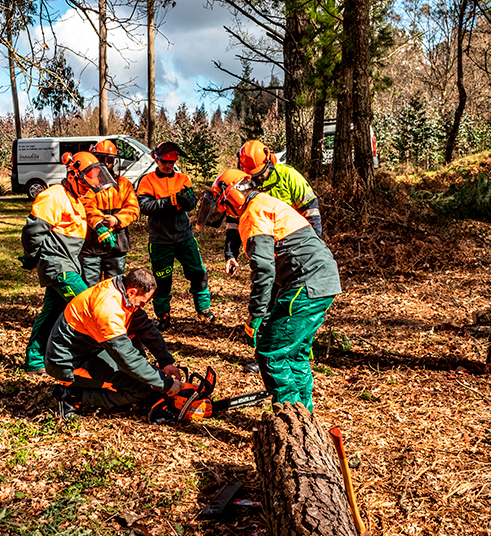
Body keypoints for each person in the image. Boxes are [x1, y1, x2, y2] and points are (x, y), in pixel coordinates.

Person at [211, 169, 341, 412]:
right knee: (296, 353)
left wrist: (256, 316)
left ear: (233, 197)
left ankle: (290, 415)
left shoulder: (253, 213)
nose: (225, 211)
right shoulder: (267, 203)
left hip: (306, 282)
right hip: (322, 278)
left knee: (272, 351)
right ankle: (305, 414)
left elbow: (263, 270)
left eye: (224, 204)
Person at [19, 151, 117, 373]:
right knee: (88, 307)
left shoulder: (76, 198)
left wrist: (100, 227)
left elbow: (90, 214)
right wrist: (31, 258)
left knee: (51, 314)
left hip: (69, 263)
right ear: (72, 174)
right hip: (58, 266)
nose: (87, 187)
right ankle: (97, 361)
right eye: (84, 182)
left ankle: (35, 360)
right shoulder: (54, 196)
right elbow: (32, 232)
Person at [45, 268, 183, 418]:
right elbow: (126, 357)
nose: (142, 306)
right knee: (140, 389)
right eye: (142, 303)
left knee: (141, 378)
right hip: (69, 362)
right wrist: (165, 383)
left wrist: (166, 362)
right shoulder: (107, 307)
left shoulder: (121, 292)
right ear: (132, 292)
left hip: (90, 350)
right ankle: (71, 395)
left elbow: (146, 329)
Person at [199, 139, 323, 277]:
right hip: (266, 249)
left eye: (258, 175)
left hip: (295, 245)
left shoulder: (289, 176)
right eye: (252, 176)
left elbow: (312, 213)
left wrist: (314, 248)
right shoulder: (242, 184)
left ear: (269, 162)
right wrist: (231, 254)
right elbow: (233, 222)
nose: (256, 180)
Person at [137, 141, 215, 331]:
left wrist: (187, 199)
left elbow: (191, 204)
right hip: (160, 240)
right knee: (162, 279)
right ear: (157, 159)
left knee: (198, 272)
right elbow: (145, 207)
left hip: (184, 237)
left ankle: (203, 309)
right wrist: (171, 200)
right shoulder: (147, 181)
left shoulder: (183, 179)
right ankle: (163, 315)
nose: (168, 166)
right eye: (165, 162)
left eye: (172, 162)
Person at [79, 139, 140, 286]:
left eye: (109, 160)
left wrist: (116, 220)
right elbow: (87, 207)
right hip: (92, 243)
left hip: (117, 243)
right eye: (101, 159)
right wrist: (100, 223)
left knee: (114, 285)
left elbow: (133, 208)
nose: (106, 163)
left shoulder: (124, 184)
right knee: (90, 286)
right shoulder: (87, 183)